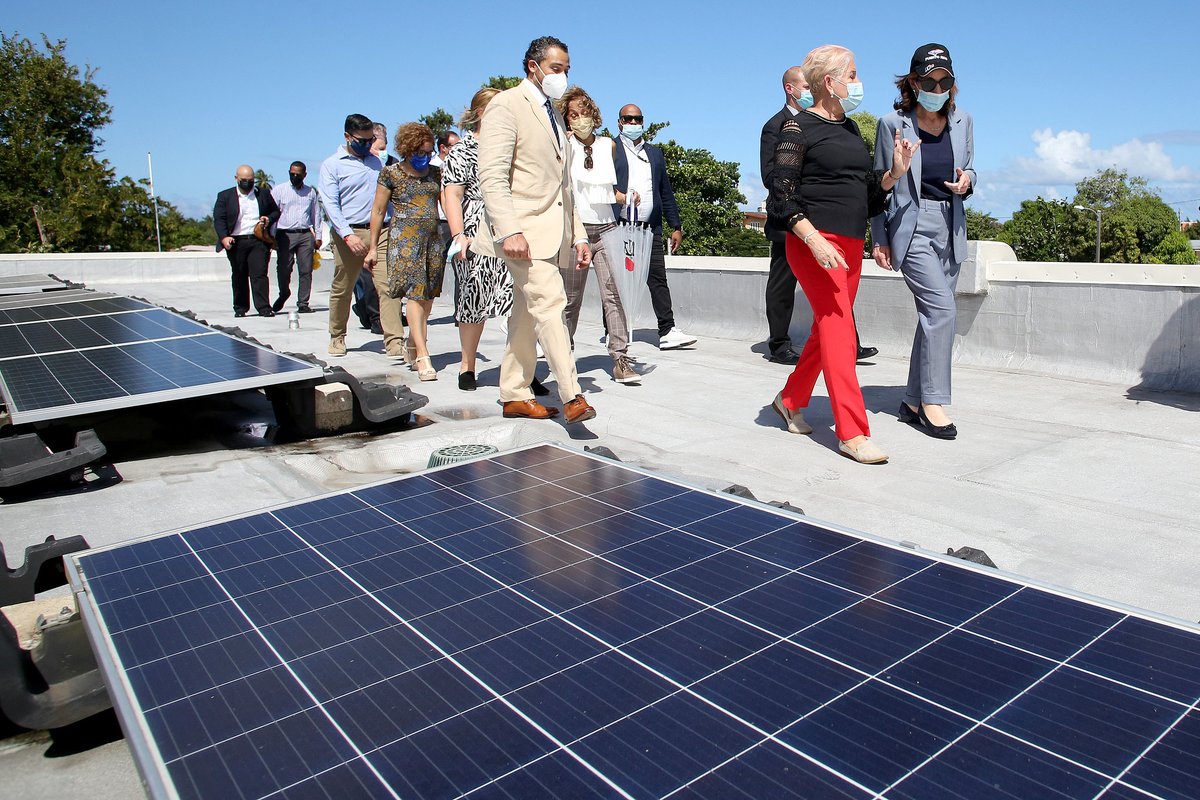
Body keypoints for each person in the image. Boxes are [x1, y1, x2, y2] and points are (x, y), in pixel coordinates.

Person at [767, 44, 918, 464]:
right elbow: (780, 196)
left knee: (826, 330)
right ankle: (852, 431)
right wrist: (814, 240)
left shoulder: (850, 129)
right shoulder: (796, 130)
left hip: (850, 243)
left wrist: (893, 175)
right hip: (814, 240)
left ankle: (790, 397)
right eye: (851, 74)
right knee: (840, 330)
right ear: (829, 82)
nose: (857, 82)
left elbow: (864, 192)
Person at [475, 35, 596, 424]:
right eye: (556, 68)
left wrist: (577, 235)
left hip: (553, 232)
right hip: (521, 234)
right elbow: (491, 175)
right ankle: (572, 394)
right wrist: (508, 229)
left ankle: (513, 393)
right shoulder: (506, 105)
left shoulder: (554, 114)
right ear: (534, 67)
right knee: (550, 303)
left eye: (566, 69)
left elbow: (564, 187)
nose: (562, 76)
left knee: (527, 315)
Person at [872, 43, 975, 440]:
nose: (938, 87)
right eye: (929, 80)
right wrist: (879, 239)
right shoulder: (891, 124)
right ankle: (934, 401)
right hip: (912, 226)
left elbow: (971, 168)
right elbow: (879, 186)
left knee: (933, 317)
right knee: (942, 309)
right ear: (913, 83)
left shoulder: (964, 120)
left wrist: (968, 182)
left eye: (945, 81)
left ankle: (912, 401)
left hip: (952, 226)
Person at [560, 86, 645, 384]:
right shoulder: (562, 145)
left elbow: (607, 189)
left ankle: (620, 356)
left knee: (615, 294)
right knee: (570, 298)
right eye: (573, 114)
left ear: (593, 114)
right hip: (575, 230)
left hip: (608, 227)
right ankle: (562, 354)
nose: (580, 118)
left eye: (584, 112)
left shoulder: (609, 145)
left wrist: (627, 197)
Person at [441, 89, 514, 391]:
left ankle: (518, 367)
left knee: (516, 302)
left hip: (509, 229)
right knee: (473, 299)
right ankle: (467, 365)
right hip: (475, 229)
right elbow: (452, 194)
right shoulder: (462, 151)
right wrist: (459, 235)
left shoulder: (510, 149)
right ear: (481, 112)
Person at [612, 103, 697, 351]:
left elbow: (665, 191)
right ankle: (614, 331)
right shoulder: (611, 150)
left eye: (638, 119)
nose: (633, 123)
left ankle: (667, 330)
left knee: (658, 278)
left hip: (650, 227)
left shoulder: (655, 154)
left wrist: (676, 225)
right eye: (628, 119)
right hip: (620, 226)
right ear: (619, 122)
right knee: (618, 281)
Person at [317, 114, 402, 358]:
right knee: (343, 286)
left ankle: (395, 341)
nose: (367, 145)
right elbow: (330, 205)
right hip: (349, 233)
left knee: (387, 286)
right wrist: (346, 235)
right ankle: (337, 336)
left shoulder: (377, 164)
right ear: (347, 137)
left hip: (381, 231)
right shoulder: (332, 165)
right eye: (362, 141)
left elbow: (386, 198)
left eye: (370, 140)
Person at [365, 123, 444, 381]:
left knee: (428, 297)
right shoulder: (391, 174)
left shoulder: (435, 174)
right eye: (420, 152)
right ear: (407, 150)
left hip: (433, 240)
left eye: (429, 152)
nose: (425, 157)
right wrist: (373, 247)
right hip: (404, 242)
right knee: (413, 295)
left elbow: (446, 203)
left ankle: (413, 340)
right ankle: (422, 354)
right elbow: (377, 212)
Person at [760, 66, 810, 364]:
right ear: (790, 89)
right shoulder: (774, 125)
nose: (811, 91)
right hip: (786, 219)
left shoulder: (817, 123)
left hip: (819, 215)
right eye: (806, 85)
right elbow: (769, 174)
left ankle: (848, 343)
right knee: (783, 282)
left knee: (834, 281)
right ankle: (779, 343)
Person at [213, 165, 280, 318]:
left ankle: (263, 307)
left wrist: (268, 219)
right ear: (236, 178)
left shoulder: (262, 194)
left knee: (259, 274)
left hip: (257, 240)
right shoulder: (225, 196)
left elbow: (275, 211)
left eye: (250, 180)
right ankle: (240, 307)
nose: (247, 183)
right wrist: (224, 237)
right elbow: (219, 219)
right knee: (239, 274)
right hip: (236, 241)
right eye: (244, 180)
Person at [269, 161, 322, 313]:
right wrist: (271, 237)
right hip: (285, 234)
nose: (295, 177)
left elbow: (316, 215)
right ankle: (284, 292)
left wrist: (318, 236)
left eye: (298, 175)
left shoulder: (310, 192)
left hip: (305, 234)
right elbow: (274, 214)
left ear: (304, 175)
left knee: (306, 270)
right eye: (292, 174)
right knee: (284, 268)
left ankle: (303, 303)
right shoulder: (279, 190)